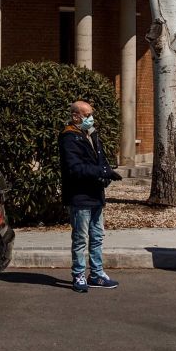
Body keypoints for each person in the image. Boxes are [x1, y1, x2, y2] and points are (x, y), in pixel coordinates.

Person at [59, 99, 122, 293]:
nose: (90, 118)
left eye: (91, 114)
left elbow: (99, 160)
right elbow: (75, 168)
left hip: (95, 194)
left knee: (97, 236)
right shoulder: (69, 137)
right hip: (80, 195)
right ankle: (78, 274)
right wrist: (102, 172)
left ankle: (96, 274)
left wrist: (106, 174)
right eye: (87, 115)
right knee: (80, 238)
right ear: (75, 116)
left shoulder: (91, 134)